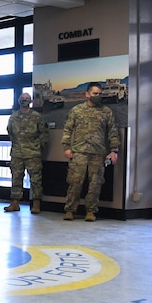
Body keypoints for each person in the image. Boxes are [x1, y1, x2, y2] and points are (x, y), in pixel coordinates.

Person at [61, 82, 119, 222]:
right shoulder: (77, 110)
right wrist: (66, 147)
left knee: (95, 184)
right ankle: (70, 210)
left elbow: (112, 132)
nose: (97, 96)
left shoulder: (106, 112)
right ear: (87, 94)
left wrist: (114, 150)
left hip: (98, 153)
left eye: (99, 94)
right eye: (95, 93)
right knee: (75, 182)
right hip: (79, 152)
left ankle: (91, 211)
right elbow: (68, 129)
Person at [5, 92, 48, 214]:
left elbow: (44, 134)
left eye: (27, 98)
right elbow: (10, 132)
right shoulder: (13, 117)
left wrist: (37, 147)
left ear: (31, 101)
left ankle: (36, 204)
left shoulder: (37, 117)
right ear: (19, 100)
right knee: (16, 178)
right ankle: (15, 203)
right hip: (17, 153)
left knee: (35, 180)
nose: (24, 100)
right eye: (23, 98)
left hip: (32, 153)